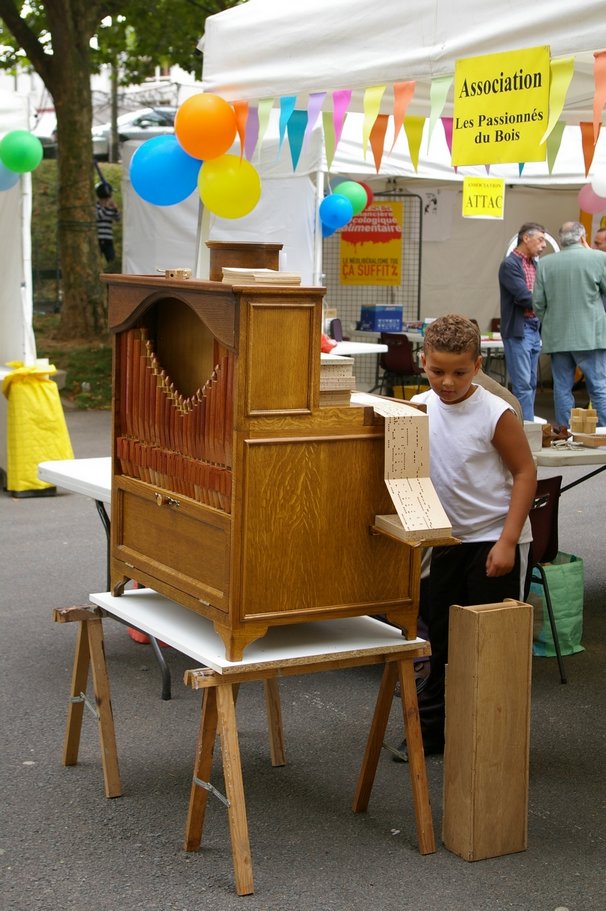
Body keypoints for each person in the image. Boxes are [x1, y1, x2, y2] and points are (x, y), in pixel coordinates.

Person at [394, 314, 536, 760]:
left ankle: (491, 739)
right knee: (442, 640)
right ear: (423, 362)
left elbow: (525, 472)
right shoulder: (418, 407)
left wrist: (508, 541)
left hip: (492, 541)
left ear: (477, 366)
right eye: (437, 371)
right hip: (447, 542)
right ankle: (434, 733)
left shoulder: (495, 413)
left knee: (490, 648)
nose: (447, 382)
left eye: (459, 372)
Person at [533, 221, 606, 428]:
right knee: (599, 387)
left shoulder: (546, 263)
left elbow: (538, 303)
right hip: (592, 335)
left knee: (562, 388)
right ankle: (604, 433)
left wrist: (551, 321)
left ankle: (565, 432)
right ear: (582, 237)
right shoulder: (599, 258)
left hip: (558, 336)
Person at [498, 222, 546, 421]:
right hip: (519, 330)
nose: (543, 245)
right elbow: (524, 296)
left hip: (533, 327)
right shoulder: (509, 265)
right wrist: (547, 299)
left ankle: (528, 424)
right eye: (540, 240)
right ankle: (525, 428)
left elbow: (534, 295)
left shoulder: (534, 264)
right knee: (523, 384)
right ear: (526, 238)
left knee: (532, 382)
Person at [95, 181, 120, 263]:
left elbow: (118, 219)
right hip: (98, 238)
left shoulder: (111, 207)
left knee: (111, 260)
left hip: (108, 238)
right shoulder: (96, 206)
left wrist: (115, 209)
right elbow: (98, 216)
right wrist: (105, 206)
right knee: (96, 261)